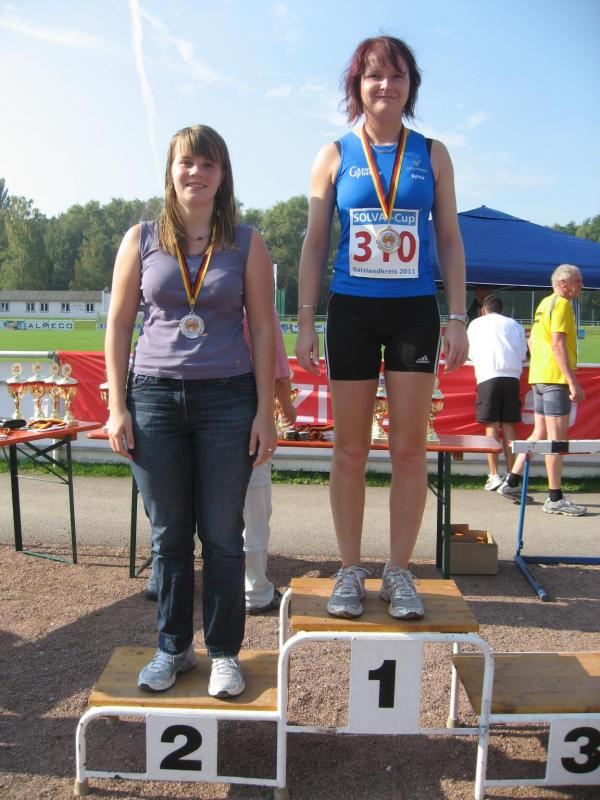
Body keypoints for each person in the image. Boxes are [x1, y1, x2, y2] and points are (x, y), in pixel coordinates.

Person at [295, 36, 468, 620]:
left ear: (410, 85)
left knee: (409, 450)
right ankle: (350, 569)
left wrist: (458, 317)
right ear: (357, 85)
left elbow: (450, 240)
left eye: (396, 75)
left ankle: (398, 571)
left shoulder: (433, 154)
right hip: (352, 311)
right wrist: (305, 320)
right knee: (349, 450)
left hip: (414, 312)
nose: (385, 85)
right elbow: (315, 243)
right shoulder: (334, 154)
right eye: (374, 75)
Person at [105, 124, 277, 696]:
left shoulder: (247, 243)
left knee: (224, 534)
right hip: (154, 398)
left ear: (222, 176)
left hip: (228, 399)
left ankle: (224, 651)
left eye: (208, 164)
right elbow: (119, 324)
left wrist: (265, 411)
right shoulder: (141, 238)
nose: (196, 172)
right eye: (186, 162)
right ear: (170, 171)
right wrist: (118, 405)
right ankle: (173, 647)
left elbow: (263, 327)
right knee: (169, 535)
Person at [497, 264, 586, 516]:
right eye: (578, 281)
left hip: (539, 377)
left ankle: (512, 481)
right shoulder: (562, 304)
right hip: (554, 378)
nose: (582, 285)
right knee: (556, 441)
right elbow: (558, 344)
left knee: (539, 433)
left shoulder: (544, 303)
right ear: (563, 284)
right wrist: (571, 381)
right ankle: (555, 498)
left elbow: (533, 340)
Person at [243, 310, 297, 614]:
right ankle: (254, 590)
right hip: (248, 416)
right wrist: (287, 407)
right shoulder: (260, 308)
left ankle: (166, 578)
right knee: (254, 506)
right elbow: (279, 373)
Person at [467, 295, 527, 490]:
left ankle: (493, 475)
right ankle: (511, 475)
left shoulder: (476, 324)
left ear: (483, 310)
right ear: (502, 310)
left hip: (488, 375)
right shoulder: (515, 325)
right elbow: (523, 354)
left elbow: (470, 353)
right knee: (509, 425)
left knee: (491, 425)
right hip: (512, 377)